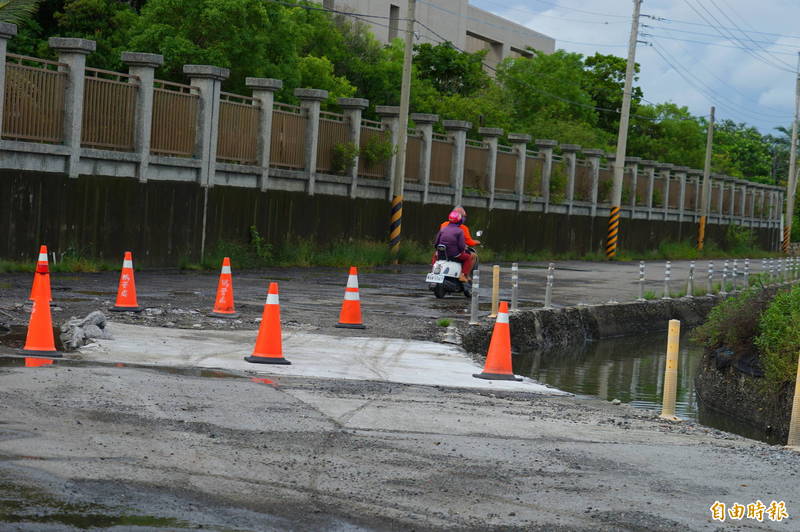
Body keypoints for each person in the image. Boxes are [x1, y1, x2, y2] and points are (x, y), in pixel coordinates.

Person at [434, 210, 475, 283]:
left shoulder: (443, 229)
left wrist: (438, 250)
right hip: (454, 255)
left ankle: (434, 269)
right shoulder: (460, 231)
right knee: (469, 257)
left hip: (442, 253)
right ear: (460, 220)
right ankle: (463, 275)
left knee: (435, 256)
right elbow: (461, 246)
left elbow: (436, 242)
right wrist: (463, 250)